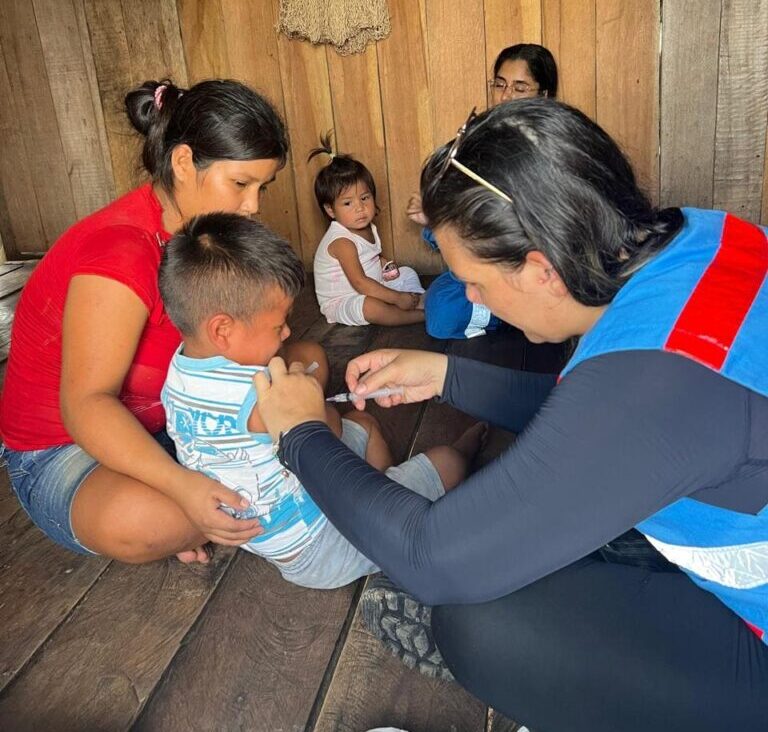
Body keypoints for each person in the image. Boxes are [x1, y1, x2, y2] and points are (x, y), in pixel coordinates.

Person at [252, 99, 768, 731]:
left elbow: (431, 557)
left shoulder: (654, 384)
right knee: (524, 533)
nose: (470, 297)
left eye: (475, 282)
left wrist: (302, 435)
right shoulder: (699, 235)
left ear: (541, 270)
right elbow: (606, 417)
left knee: (477, 620)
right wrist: (448, 375)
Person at [0, 78, 327, 565]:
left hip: (174, 420)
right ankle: (206, 503)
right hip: (66, 448)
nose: (254, 206)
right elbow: (86, 405)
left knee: (310, 360)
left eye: (263, 187)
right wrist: (181, 486)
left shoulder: (209, 237)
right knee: (147, 522)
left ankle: (218, 496)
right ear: (183, 163)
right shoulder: (120, 251)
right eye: (241, 184)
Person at [159, 212, 483, 588]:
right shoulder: (258, 392)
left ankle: (381, 500)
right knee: (447, 461)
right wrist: (309, 394)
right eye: (278, 325)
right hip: (321, 548)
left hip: (265, 534)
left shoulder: (179, 370)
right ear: (222, 330)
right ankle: (391, 531)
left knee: (364, 425)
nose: (287, 332)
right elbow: (325, 430)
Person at [408, 43, 558, 339]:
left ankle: (512, 311)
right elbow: (462, 213)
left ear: (543, 95)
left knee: (444, 312)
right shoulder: (479, 139)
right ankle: (505, 309)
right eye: (499, 85)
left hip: (526, 264)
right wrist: (434, 216)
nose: (505, 96)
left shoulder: (552, 145)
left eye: (520, 87)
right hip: (481, 257)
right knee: (441, 303)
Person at [309, 135, 426, 326]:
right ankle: (420, 315)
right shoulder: (341, 242)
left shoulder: (368, 227)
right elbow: (360, 283)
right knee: (371, 307)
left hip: (372, 284)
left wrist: (384, 263)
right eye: (348, 203)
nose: (360, 208)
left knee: (406, 272)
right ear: (330, 210)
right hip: (344, 300)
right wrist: (396, 298)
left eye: (364, 198)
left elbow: (369, 255)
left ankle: (415, 299)